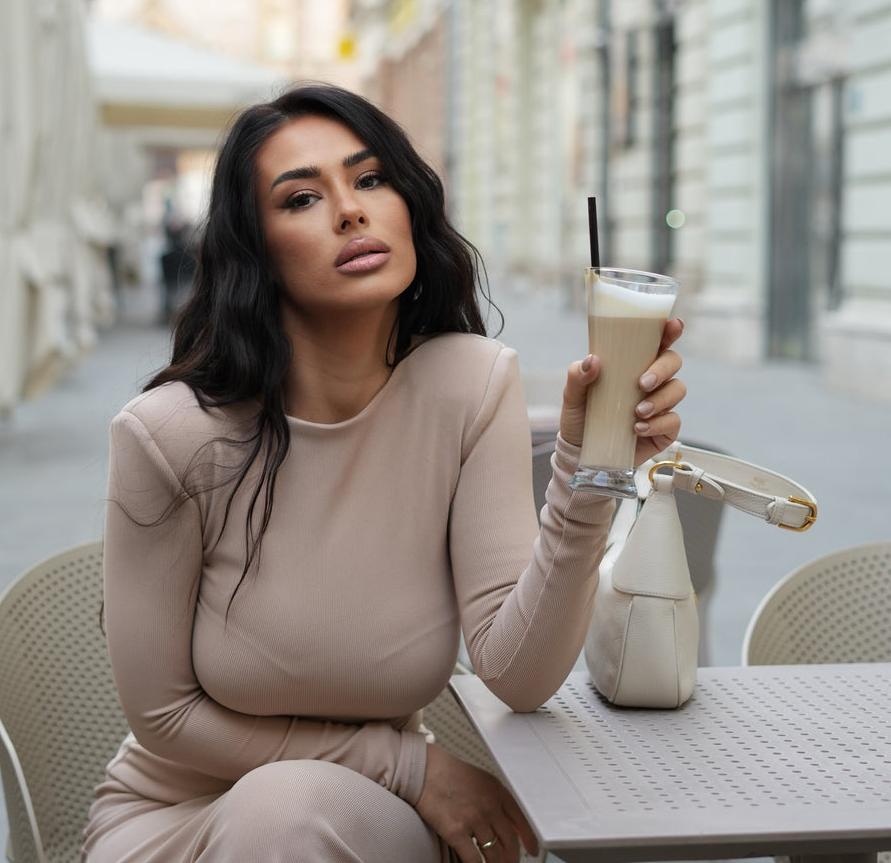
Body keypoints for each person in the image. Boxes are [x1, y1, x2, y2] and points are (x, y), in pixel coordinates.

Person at [81, 83, 685, 863]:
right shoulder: (170, 436)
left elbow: (518, 673)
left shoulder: (469, 385)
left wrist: (593, 464)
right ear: (254, 250)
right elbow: (162, 716)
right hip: (175, 820)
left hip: (362, 826)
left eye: (370, 180)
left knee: (292, 814)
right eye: (302, 198)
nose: (351, 211)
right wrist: (410, 766)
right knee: (283, 811)